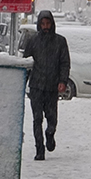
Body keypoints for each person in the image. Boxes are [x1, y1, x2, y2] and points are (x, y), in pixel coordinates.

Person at [22, 10, 70, 161]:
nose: (45, 27)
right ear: (39, 24)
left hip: (51, 87)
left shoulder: (60, 42)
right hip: (36, 87)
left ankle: (50, 135)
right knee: (37, 119)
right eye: (43, 24)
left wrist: (62, 81)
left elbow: (64, 63)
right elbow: (26, 63)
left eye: (48, 23)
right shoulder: (33, 41)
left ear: (52, 24)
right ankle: (39, 149)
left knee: (51, 118)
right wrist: (22, 83)